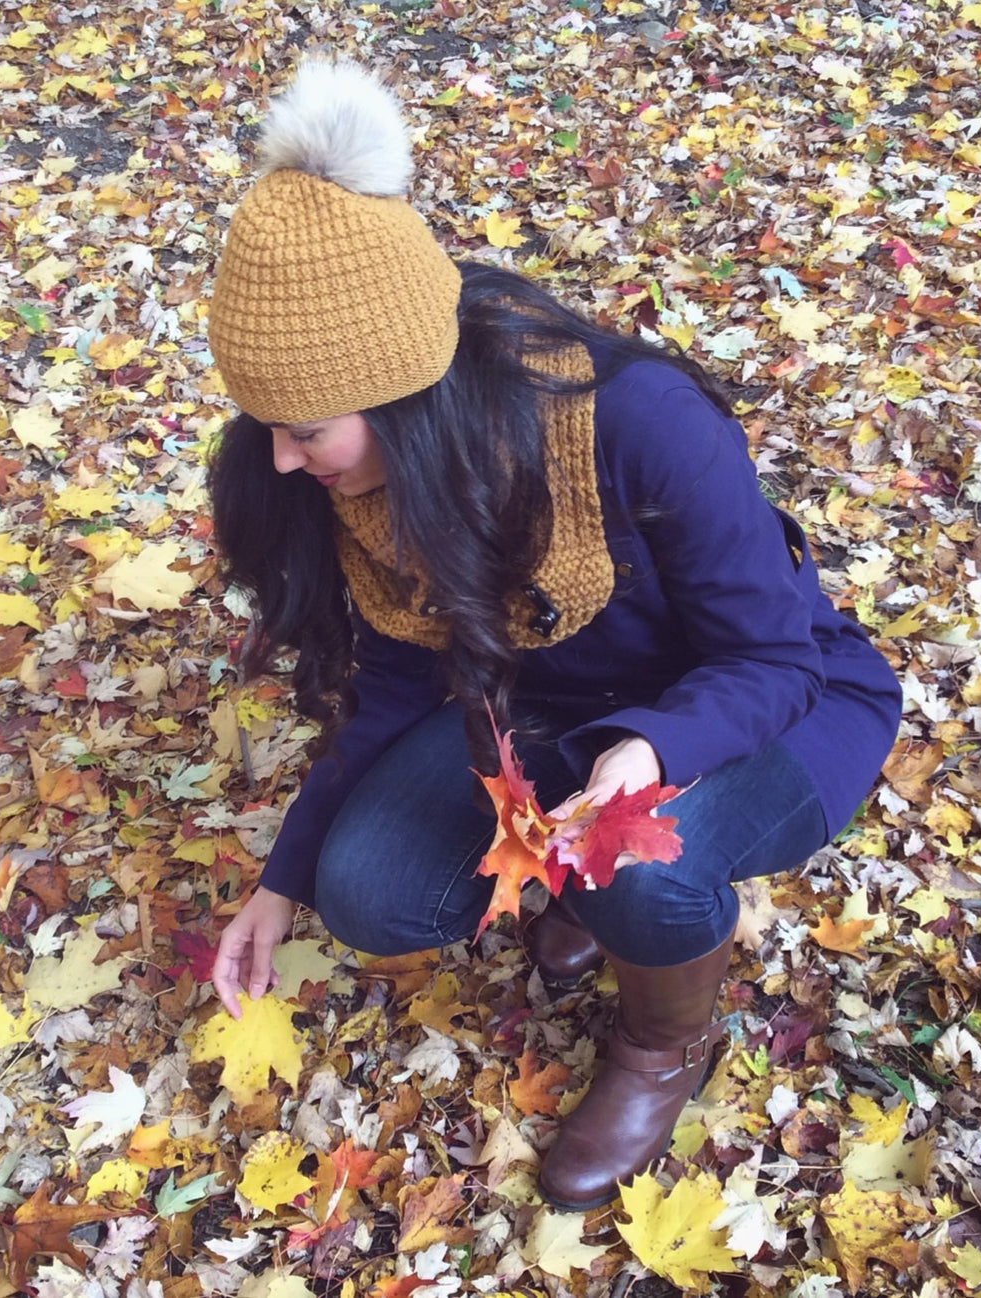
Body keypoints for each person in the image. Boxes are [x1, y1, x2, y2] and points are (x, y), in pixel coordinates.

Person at [202, 59, 901, 1211]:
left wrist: (655, 750)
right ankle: (587, 892)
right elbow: (389, 669)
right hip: (552, 706)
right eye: (267, 427)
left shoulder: (636, 427)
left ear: (397, 393)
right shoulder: (365, 476)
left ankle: (656, 1044)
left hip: (769, 704)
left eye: (304, 430)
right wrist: (279, 880)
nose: (281, 458)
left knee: (640, 855)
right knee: (366, 887)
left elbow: (772, 656)